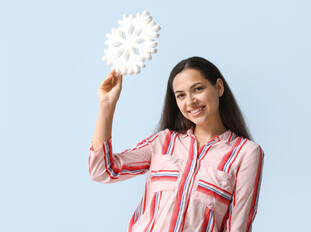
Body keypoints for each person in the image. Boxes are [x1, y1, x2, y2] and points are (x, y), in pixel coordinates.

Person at [89, 56, 264, 232]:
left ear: (218, 87)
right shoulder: (163, 142)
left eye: (198, 89)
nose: (190, 101)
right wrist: (106, 105)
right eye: (181, 95)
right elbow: (103, 171)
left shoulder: (246, 153)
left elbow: (237, 226)